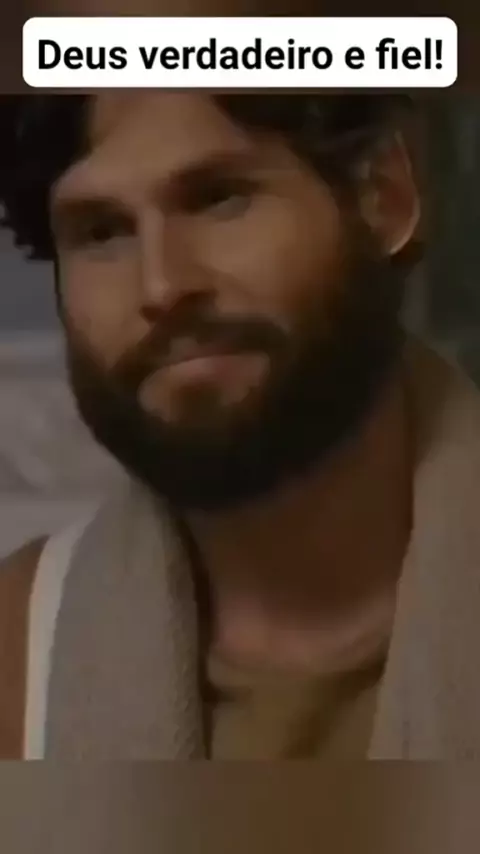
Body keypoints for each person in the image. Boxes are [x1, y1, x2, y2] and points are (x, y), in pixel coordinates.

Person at [1, 92, 480, 761]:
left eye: (220, 198)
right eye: (102, 232)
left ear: (385, 196)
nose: (162, 286)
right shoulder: (18, 660)